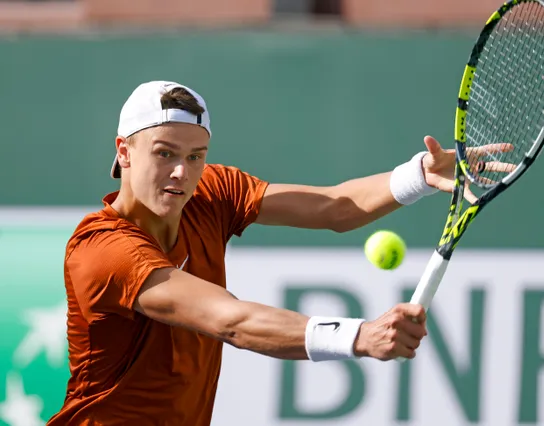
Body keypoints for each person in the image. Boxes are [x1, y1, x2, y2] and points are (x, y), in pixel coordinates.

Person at [47, 81, 504, 425]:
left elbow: (333, 207)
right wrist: (358, 336)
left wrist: (418, 175)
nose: (182, 173)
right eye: (164, 154)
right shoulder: (102, 250)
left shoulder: (211, 192)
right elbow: (230, 320)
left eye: (196, 155)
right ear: (124, 152)